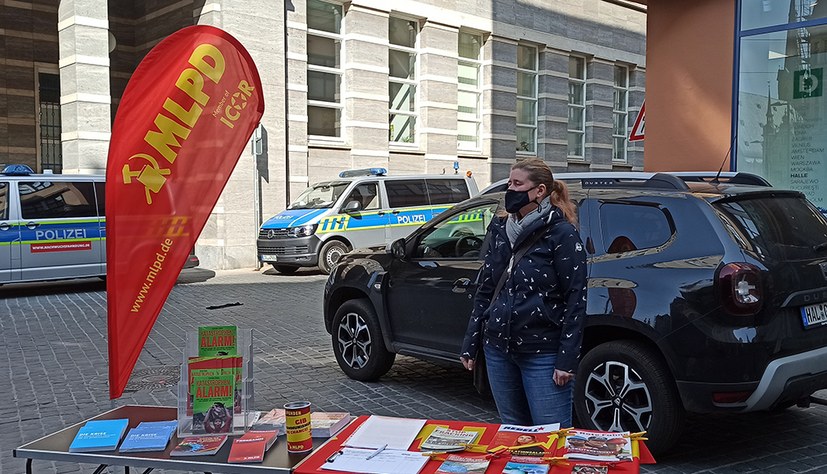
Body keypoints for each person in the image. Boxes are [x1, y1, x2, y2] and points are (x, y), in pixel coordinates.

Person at [460, 158, 587, 428]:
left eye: (518, 184)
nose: (510, 189)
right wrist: (471, 341)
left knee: (550, 435)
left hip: (542, 352)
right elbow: (487, 287)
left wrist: (566, 359)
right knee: (513, 430)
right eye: (509, 183)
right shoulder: (500, 229)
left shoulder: (561, 234)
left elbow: (575, 299)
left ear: (539, 191)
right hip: (497, 349)